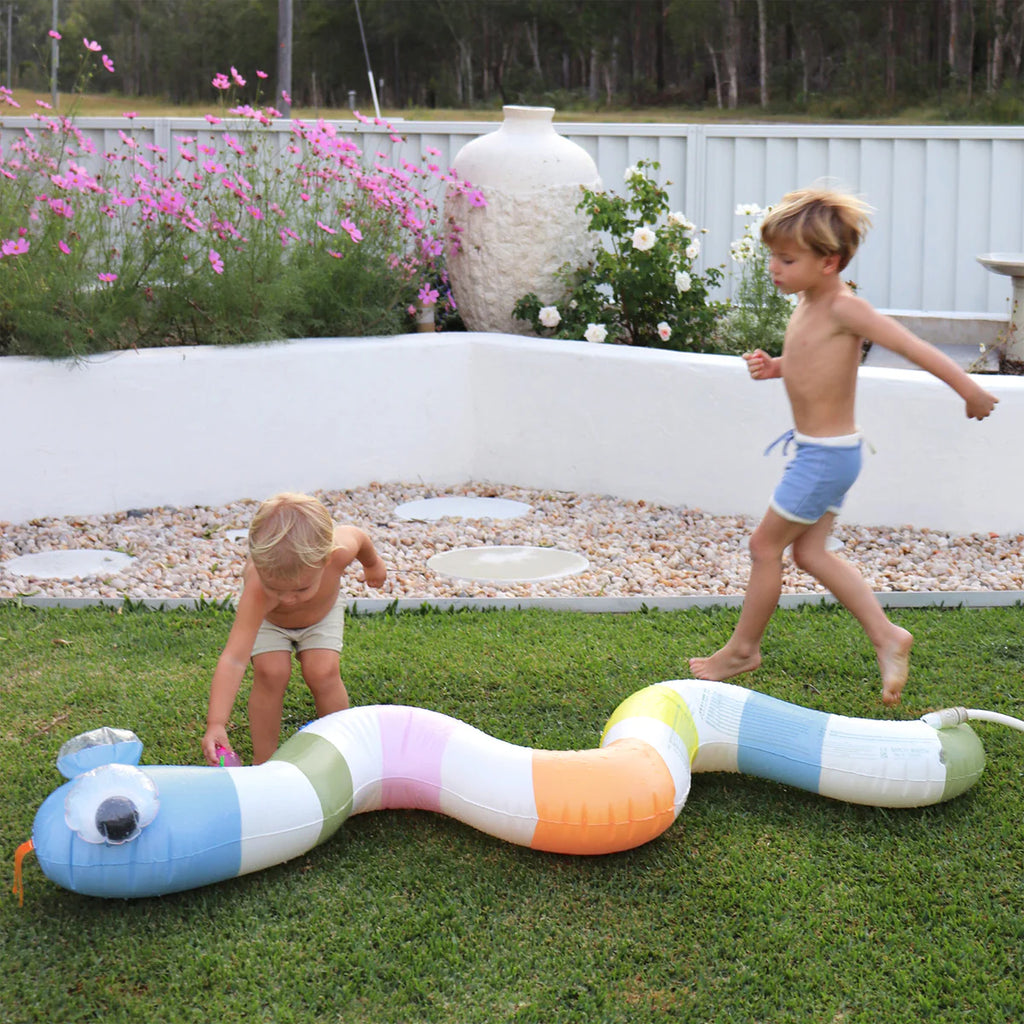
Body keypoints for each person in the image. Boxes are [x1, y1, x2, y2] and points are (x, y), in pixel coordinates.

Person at [689, 186, 998, 706]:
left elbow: (913, 347)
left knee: (765, 547)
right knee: (809, 553)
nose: (774, 268)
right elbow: (816, 361)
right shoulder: (812, 303)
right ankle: (887, 635)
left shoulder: (846, 307)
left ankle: (743, 649)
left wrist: (968, 389)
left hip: (823, 459)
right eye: (772, 256)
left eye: (787, 259)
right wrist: (777, 368)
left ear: (829, 261)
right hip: (828, 454)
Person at [202, 492, 386, 765]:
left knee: (323, 671)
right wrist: (216, 722)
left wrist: (373, 564)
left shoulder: (339, 551)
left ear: (326, 560)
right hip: (270, 621)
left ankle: (342, 751)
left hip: (321, 614)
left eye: (301, 588)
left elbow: (358, 537)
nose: (287, 599)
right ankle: (264, 761)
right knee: (270, 672)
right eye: (276, 588)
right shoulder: (258, 586)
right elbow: (234, 658)